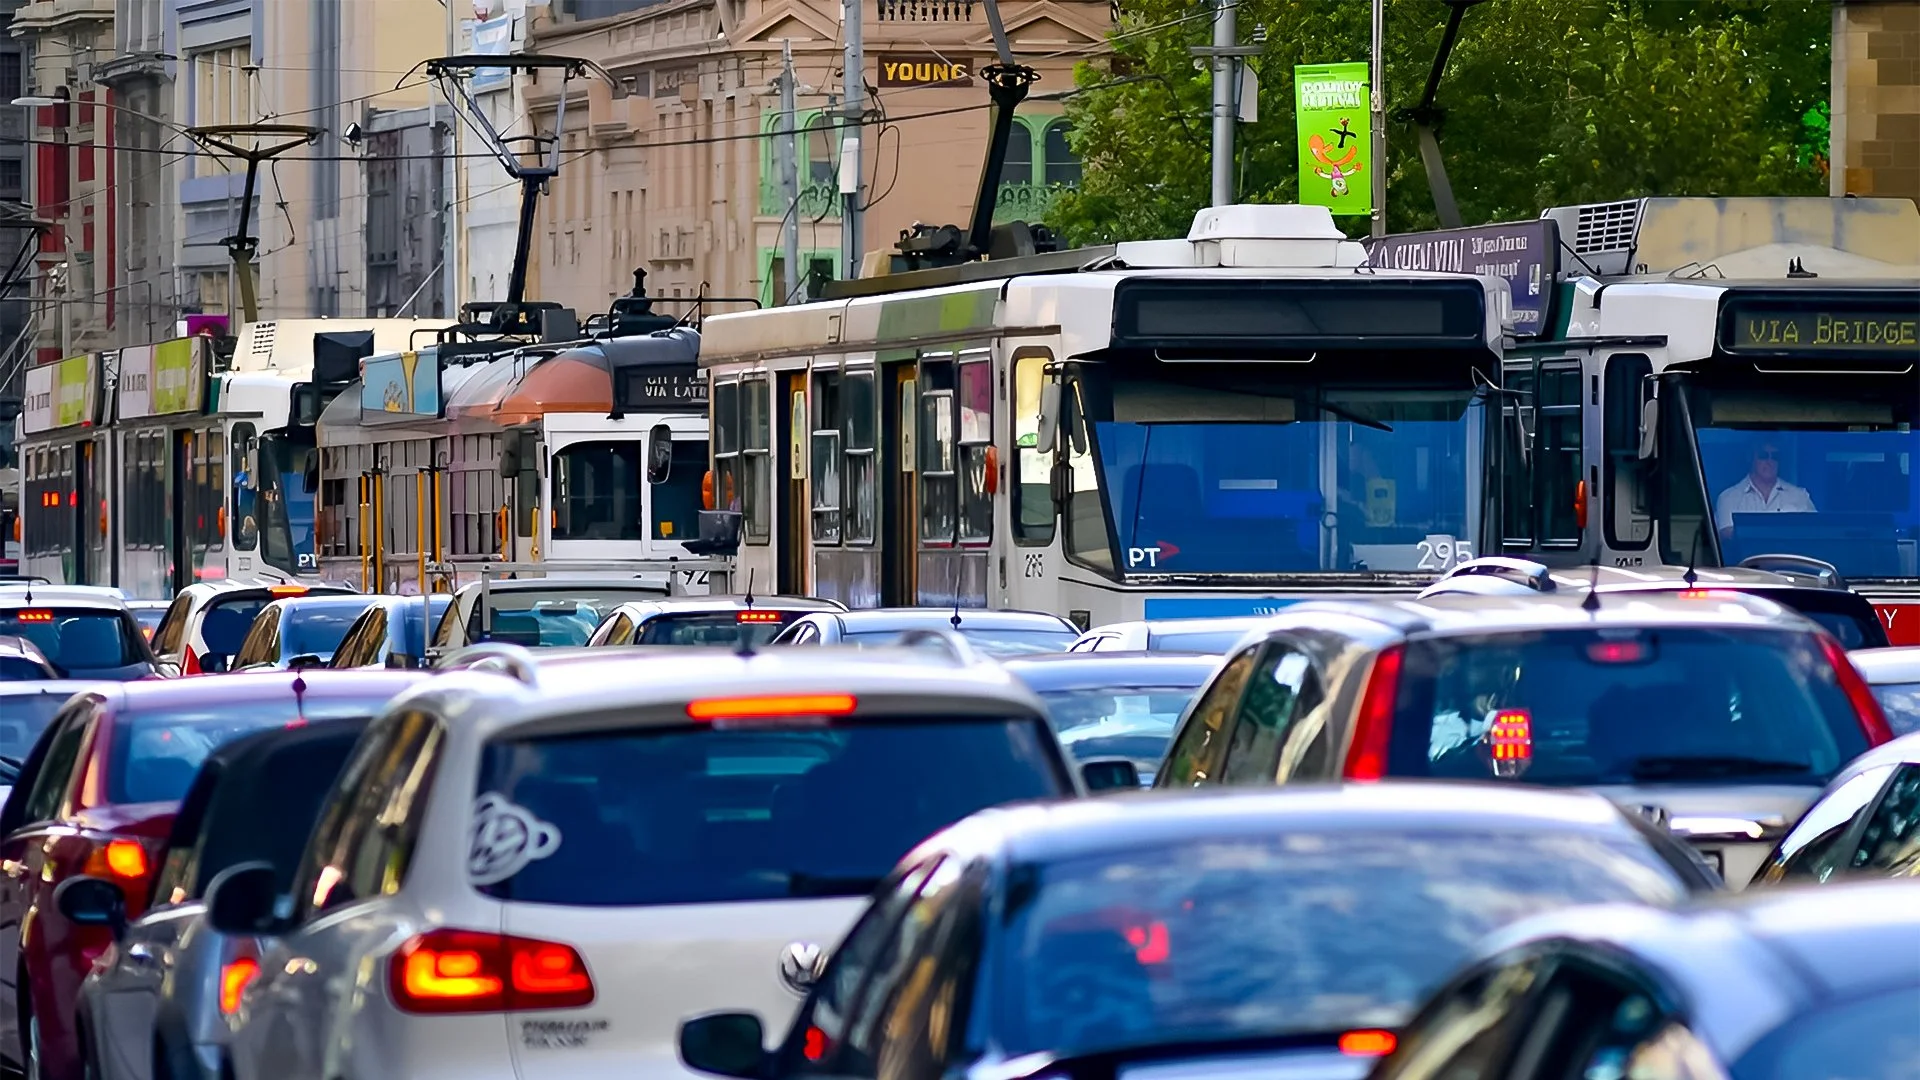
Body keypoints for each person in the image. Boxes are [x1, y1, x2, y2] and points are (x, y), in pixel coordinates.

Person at [1716, 440, 1816, 539]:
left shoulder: (1800, 496)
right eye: (1763, 455)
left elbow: (1816, 532)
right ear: (1751, 458)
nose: (1769, 462)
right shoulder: (1728, 498)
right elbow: (1727, 535)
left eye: (1775, 456)